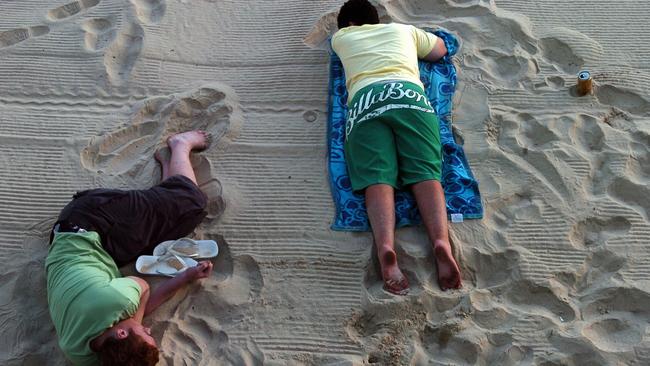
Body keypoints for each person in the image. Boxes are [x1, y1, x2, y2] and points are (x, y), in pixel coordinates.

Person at [46, 130, 215, 365]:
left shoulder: (116, 300)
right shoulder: (83, 355)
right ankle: (168, 178)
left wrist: (135, 315)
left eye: (146, 333)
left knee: (191, 202)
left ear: (122, 333)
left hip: (89, 219)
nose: (147, 328)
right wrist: (186, 276)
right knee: (176, 226)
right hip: (84, 249)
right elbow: (137, 311)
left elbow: (142, 290)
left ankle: (180, 144)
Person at [332, 0, 462, 295]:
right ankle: (440, 241)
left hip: (366, 103)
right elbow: (441, 49)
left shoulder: (341, 38)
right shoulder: (403, 30)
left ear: (349, 24)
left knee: (378, 177)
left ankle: (386, 249)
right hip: (409, 97)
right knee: (425, 173)